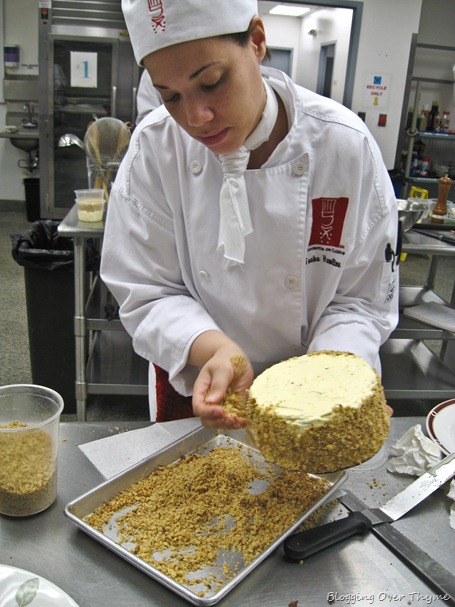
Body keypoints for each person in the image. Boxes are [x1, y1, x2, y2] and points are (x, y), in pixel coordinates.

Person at [101, 0, 399, 429]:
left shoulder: (343, 147)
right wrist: (213, 349)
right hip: (204, 381)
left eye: (212, 82)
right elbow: (144, 288)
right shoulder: (156, 149)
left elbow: (360, 300)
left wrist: (334, 383)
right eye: (170, 96)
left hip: (319, 390)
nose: (196, 118)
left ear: (257, 41)